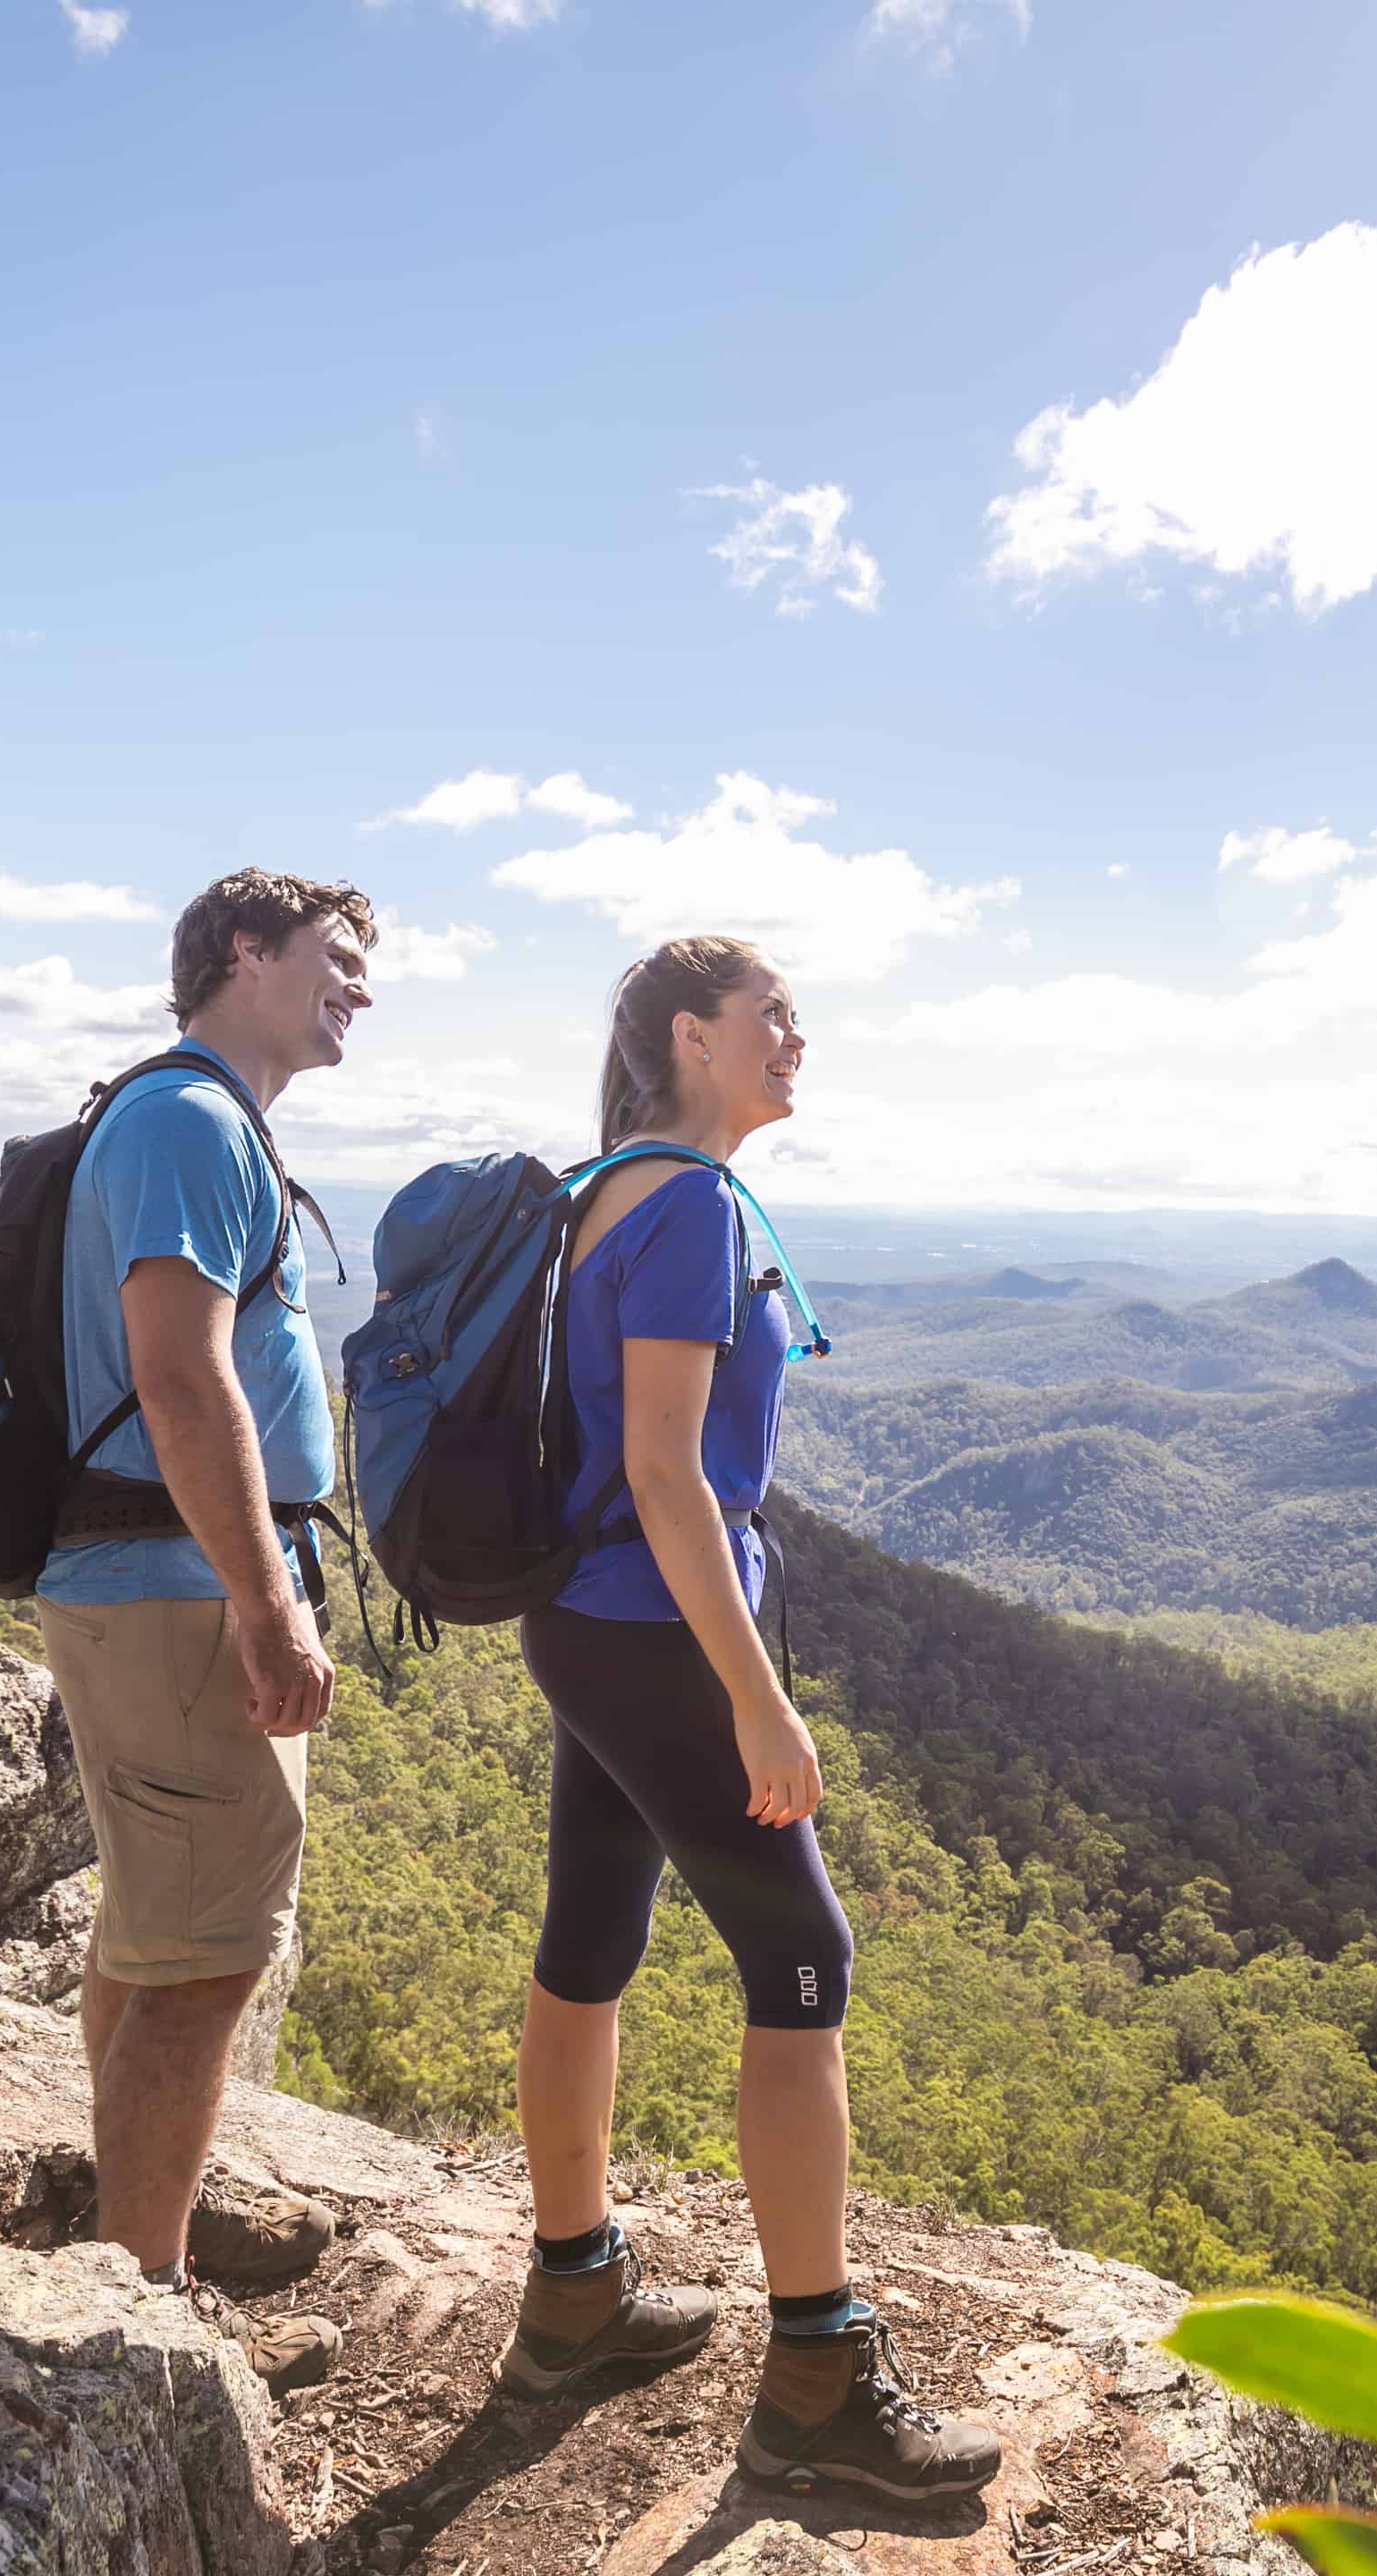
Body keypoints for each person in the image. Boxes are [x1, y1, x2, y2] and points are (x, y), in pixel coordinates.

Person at [503, 935, 1002, 2504]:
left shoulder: (608, 1189)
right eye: (770, 1017)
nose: (798, 1038)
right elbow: (667, 1475)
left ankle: (575, 2295)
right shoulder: (698, 1205)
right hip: (656, 1633)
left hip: (586, 1621)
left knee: (590, 1938)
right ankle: (815, 2382)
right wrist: (760, 1699)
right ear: (687, 1035)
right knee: (808, 1963)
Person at [35, 868, 370, 2378]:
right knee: (204, 1958)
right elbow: (180, 1381)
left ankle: (121, 2246)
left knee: (157, 1929)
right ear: (245, 954)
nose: (358, 987)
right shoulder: (185, 1121)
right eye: (335, 957)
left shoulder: (202, 1119)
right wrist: (270, 1602)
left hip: (158, 1581)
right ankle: (136, 2313)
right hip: (176, 1587)